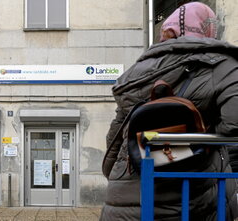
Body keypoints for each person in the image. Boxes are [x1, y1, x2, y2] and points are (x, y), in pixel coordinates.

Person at [100, 2, 238, 220]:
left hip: (124, 204)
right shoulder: (223, 66)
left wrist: (120, 177)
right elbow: (234, 129)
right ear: (207, 29)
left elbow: (113, 144)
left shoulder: (136, 73)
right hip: (190, 201)